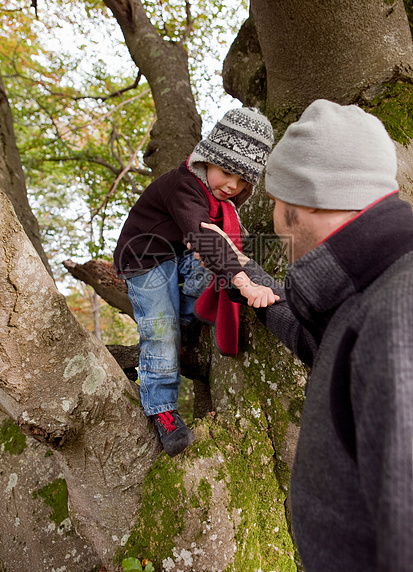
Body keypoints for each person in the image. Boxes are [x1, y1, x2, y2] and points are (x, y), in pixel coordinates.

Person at [195, 99, 413, 571]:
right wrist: (243, 272)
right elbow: (320, 340)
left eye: (275, 200)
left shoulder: (400, 316)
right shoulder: (373, 294)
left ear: (305, 200)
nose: (274, 215)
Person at [113, 107, 276, 457]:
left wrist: (253, 276)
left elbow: (231, 243)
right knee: (160, 328)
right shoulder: (184, 186)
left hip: (177, 254)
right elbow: (206, 238)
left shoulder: (224, 206)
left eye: (243, 181)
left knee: (212, 269)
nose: (232, 186)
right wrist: (244, 283)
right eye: (226, 172)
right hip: (144, 259)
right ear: (207, 160)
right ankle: (162, 410)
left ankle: (186, 322)